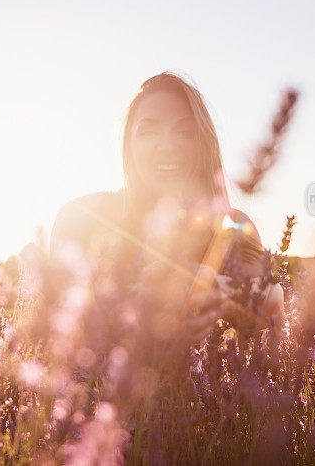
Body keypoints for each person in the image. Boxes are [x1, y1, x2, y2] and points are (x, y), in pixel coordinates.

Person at [50, 71, 283, 343]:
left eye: (185, 132)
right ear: (129, 144)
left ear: (203, 144)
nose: (166, 146)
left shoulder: (230, 226)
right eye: (148, 131)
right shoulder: (81, 217)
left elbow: (273, 307)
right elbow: (53, 322)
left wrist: (224, 300)